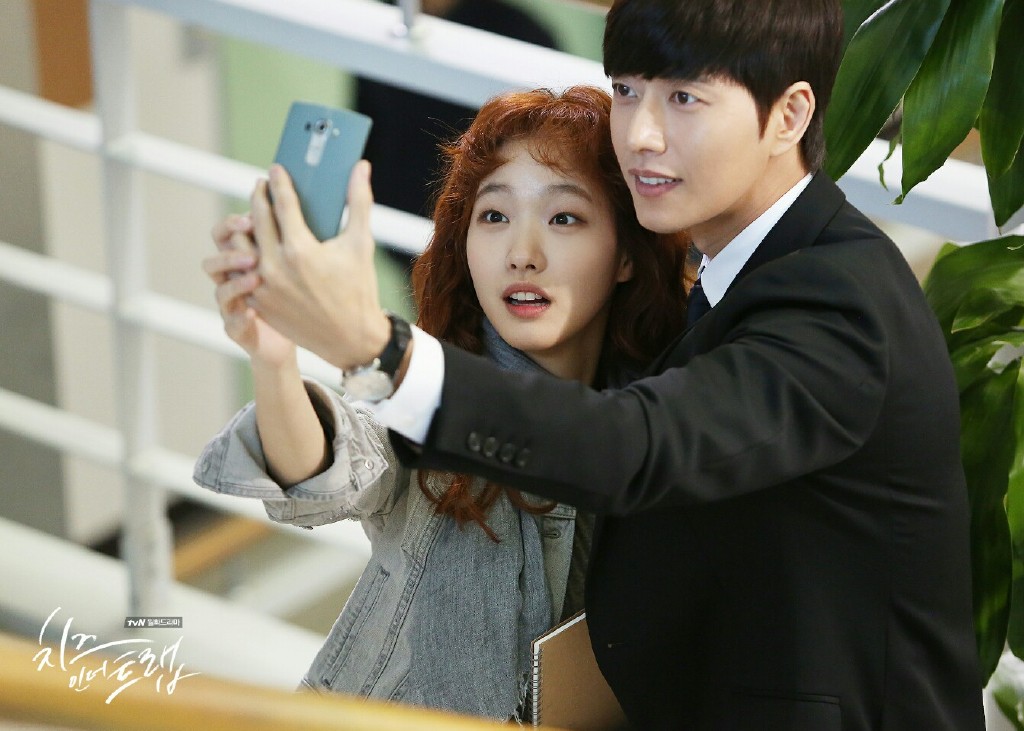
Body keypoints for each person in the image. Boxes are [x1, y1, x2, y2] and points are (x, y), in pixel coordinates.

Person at [224, 1, 987, 728]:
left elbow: (640, 445)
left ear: (788, 115)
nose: (641, 136)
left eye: (684, 98)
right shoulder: (720, 288)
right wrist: (287, 353)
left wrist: (379, 349)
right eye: (625, 91)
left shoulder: (837, 300)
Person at [193, 86, 688, 720]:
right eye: (494, 216)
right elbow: (335, 463)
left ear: (625, 255)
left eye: (564, 218)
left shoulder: (657, 414)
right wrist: (273, 358)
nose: (522, 254)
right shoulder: (432, 395)